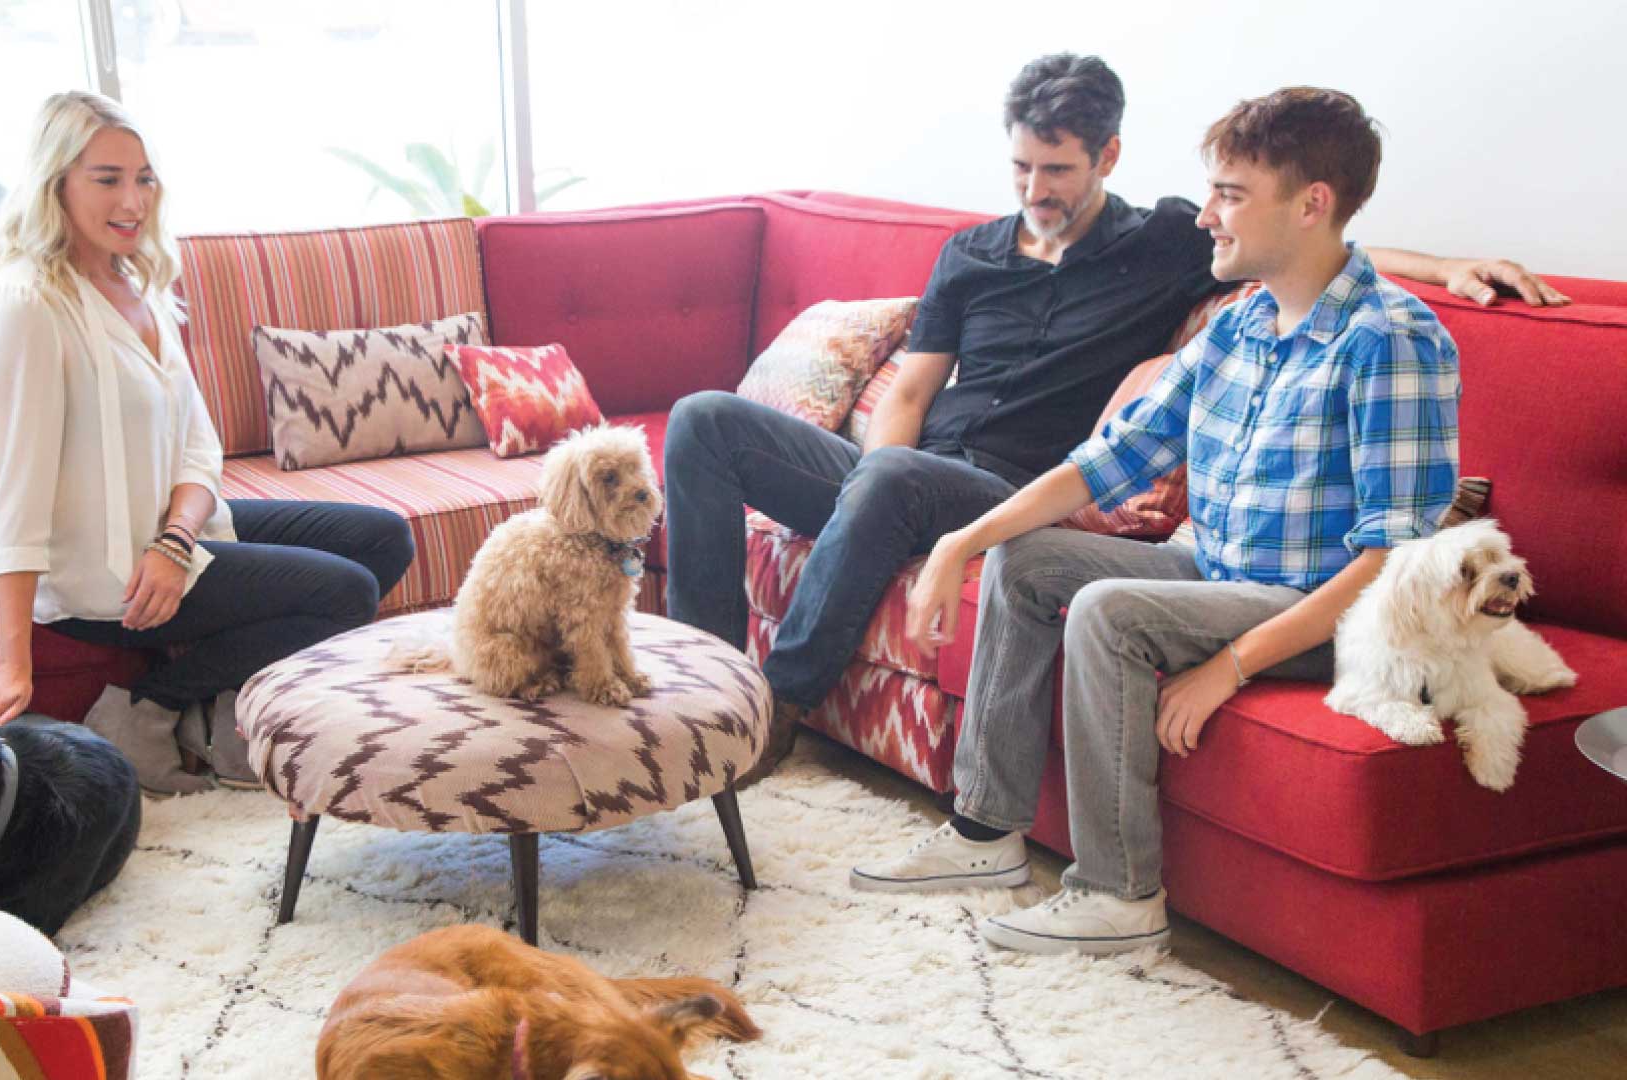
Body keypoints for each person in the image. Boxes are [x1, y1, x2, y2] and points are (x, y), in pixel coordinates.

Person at [663, 54, 1566, 785]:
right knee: (707, 420)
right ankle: (707, 688)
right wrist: (872, 499)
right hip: (901, 479)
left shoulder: (1167, 242)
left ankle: (774, 708)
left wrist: (1447, 267)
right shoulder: (970, 254)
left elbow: (1311, 245)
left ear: (1109, 156)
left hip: (1007, 488)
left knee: (898, 481)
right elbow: (908, 397)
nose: (1035, 187)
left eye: (1057, 168)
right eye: (1021, 166)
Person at [854, 87, 1460, 955]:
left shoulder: (1390, 340)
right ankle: (985, 831)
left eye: (1231, 195)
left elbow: (1392, 564)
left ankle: (1119, 897)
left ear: (1311, 204)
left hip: (1339, 614)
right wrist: (963, 541)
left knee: (1111, 611)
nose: (1207, 215)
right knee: (1028, 560)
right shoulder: (1240, 326)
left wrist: (1231, 666)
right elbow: (1104, 463)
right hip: (1224, 579)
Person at [0, 91, 415, 794]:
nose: (132, 200)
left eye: (143, 178)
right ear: (55, 183)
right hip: (101, 572)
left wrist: (174, 541)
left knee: (384, 538)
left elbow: (200, 447)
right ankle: (146, 706)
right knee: (345, 592)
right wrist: (12, 664)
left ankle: (223, 710)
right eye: (107, 179)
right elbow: (15, 486)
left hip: (169, 538)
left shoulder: (138, 282)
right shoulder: (28, 302)